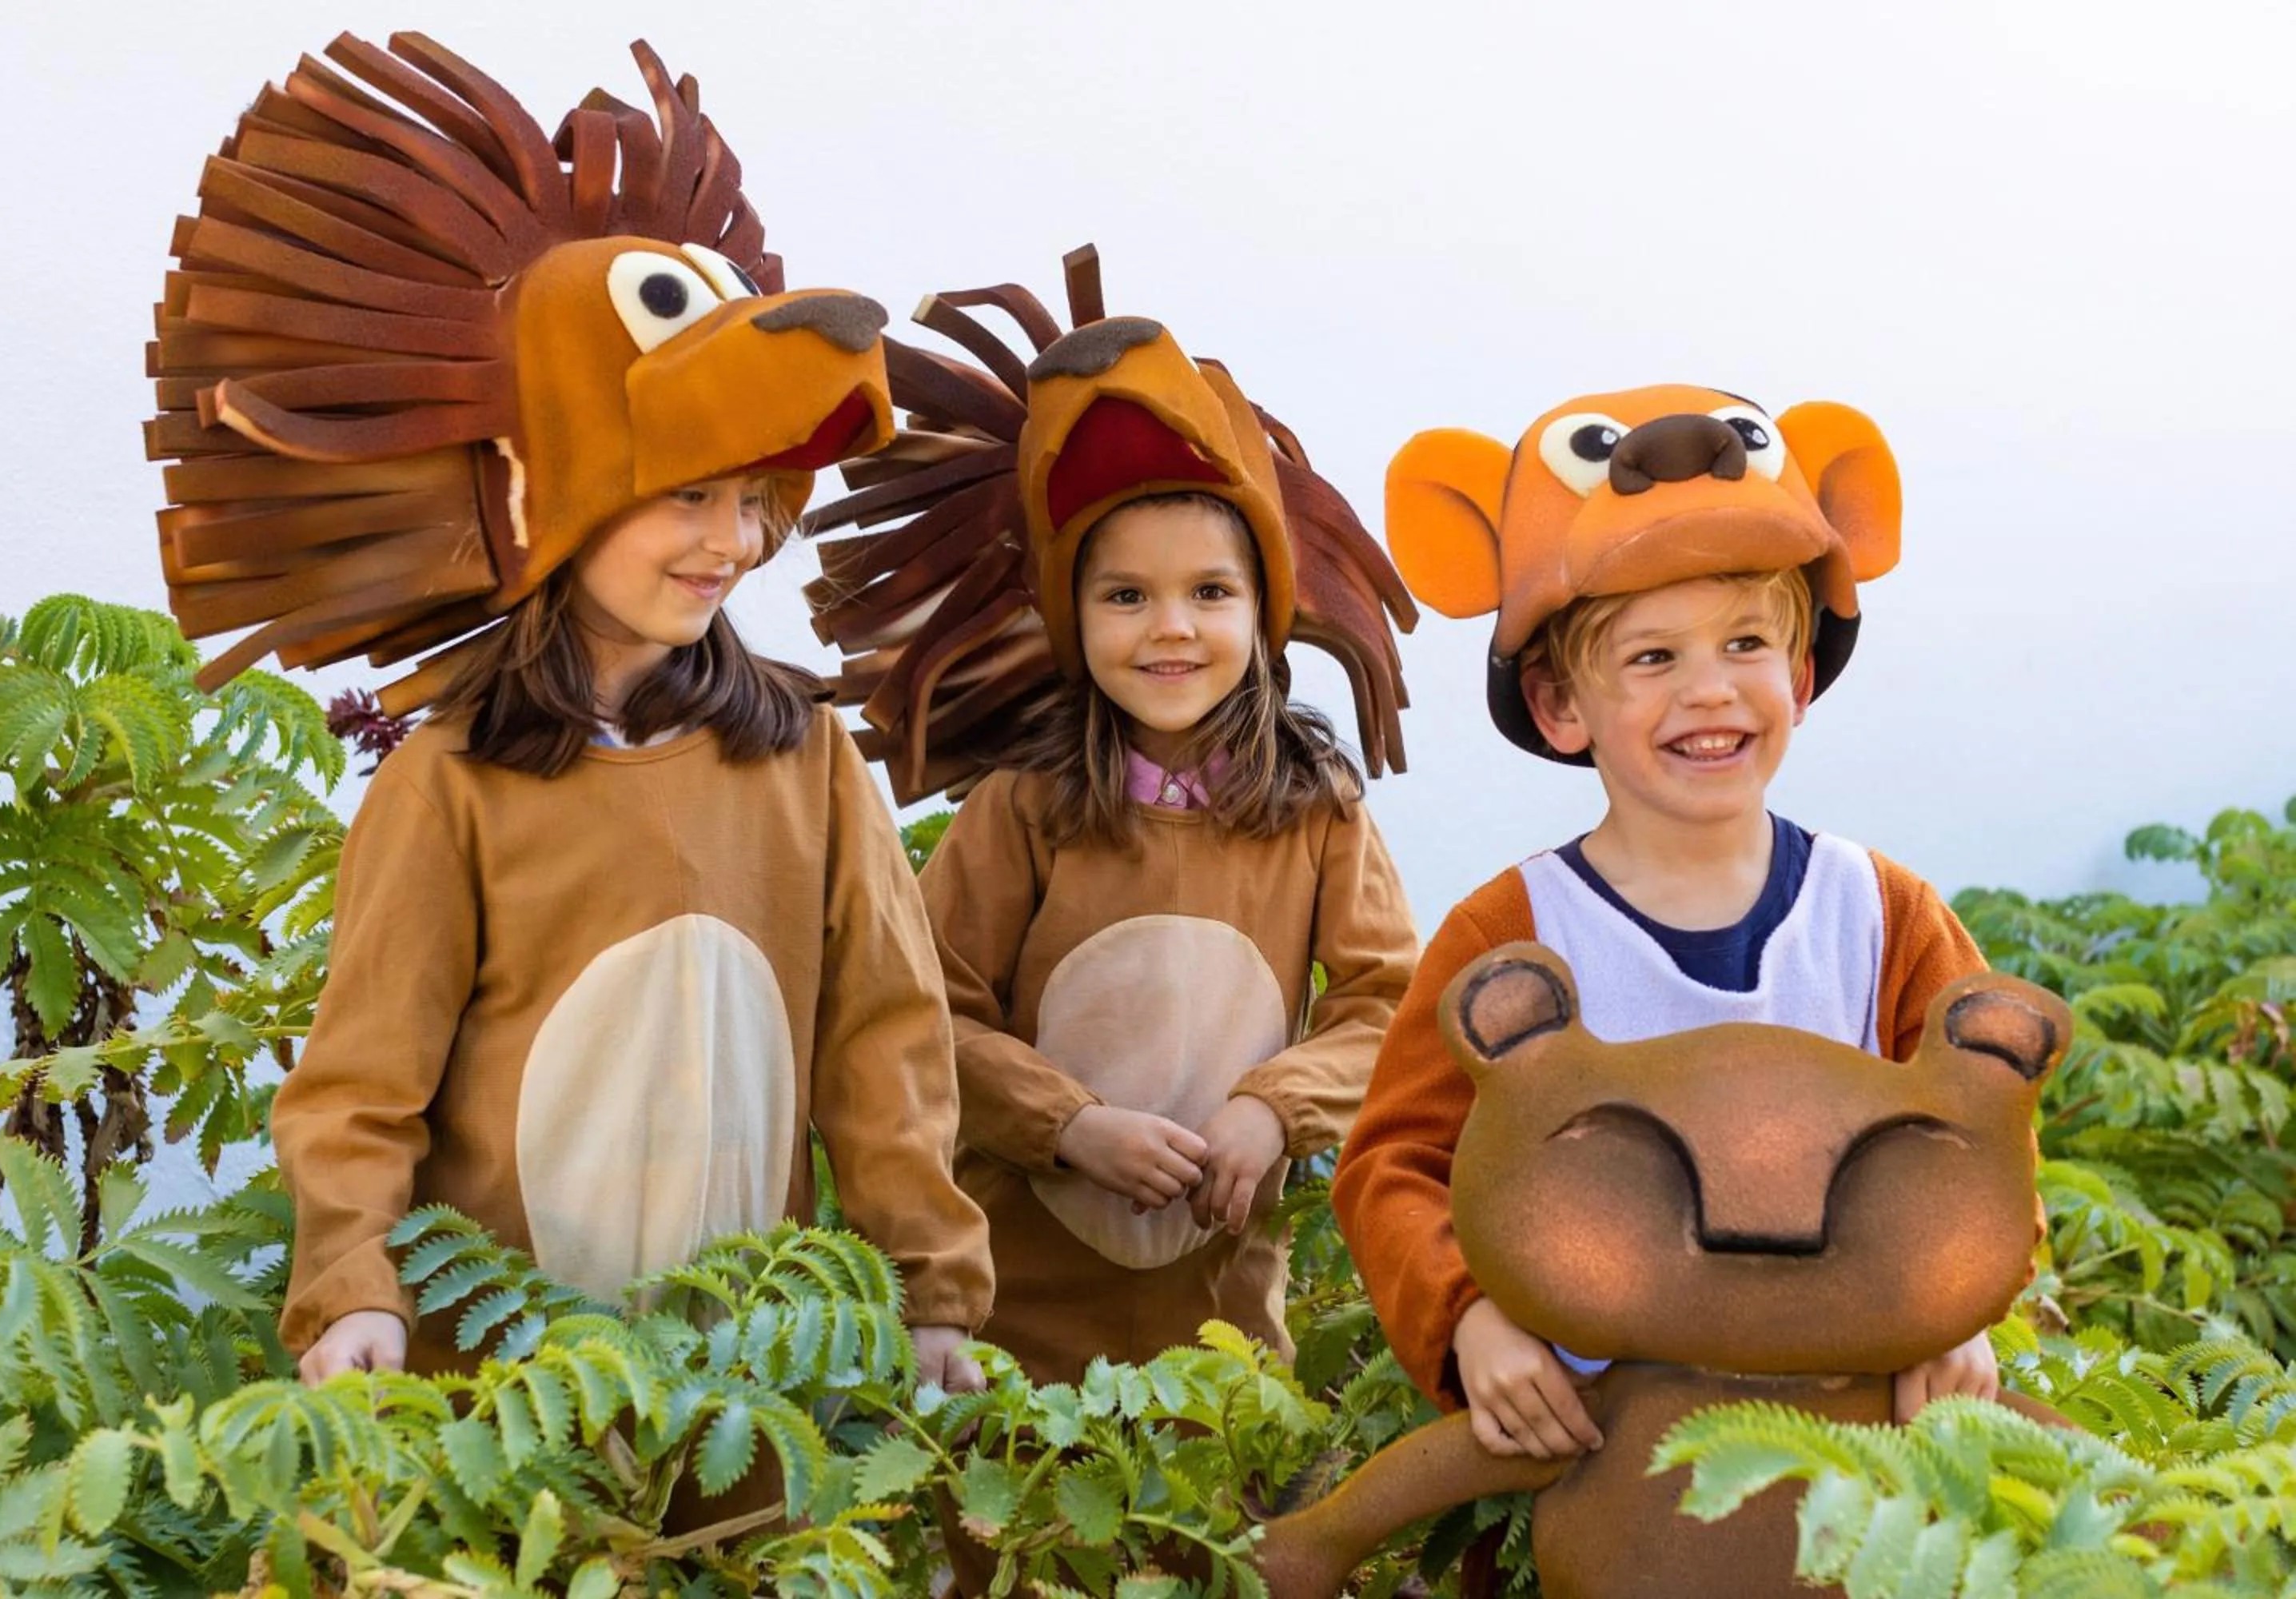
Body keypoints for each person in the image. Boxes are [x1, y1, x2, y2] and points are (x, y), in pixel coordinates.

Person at [142, 38, 995, 1417]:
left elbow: (887, 1051)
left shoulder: (807, 764)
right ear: (551, 491)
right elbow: (364, 1082)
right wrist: (352, 1285)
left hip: (750, 1401)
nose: (729, 544)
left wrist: (933, 1286)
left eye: (751, 503)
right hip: (510, 1410)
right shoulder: (452, 784)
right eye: (686, 498)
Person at [1335, 384, 1998, 1465]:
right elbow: (1394, 1167)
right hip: (1591, 1444)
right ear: (1560, 707)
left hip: (1853, 1443)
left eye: (1745, 643)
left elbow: (1986, 1140)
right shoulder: (1512, 932)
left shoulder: (1884, 914)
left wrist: (1953, 1307)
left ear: (1800, 672)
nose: (1711, 692)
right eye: (1652, 658)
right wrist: (1469, 1317)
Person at [803, 253, 1419, 1382]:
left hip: (1224, 1316)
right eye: (1125, 595)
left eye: (1211, 593)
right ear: (1071, 615)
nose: (1169, 628)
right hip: (1017, 1310)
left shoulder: (1319, 812)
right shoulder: (1025, 806)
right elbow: (922, 1011)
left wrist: (1275, 1111)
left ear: (1265, 612)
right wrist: (1068, 1123)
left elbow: (1387, 1008)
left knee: (1214, 1535)